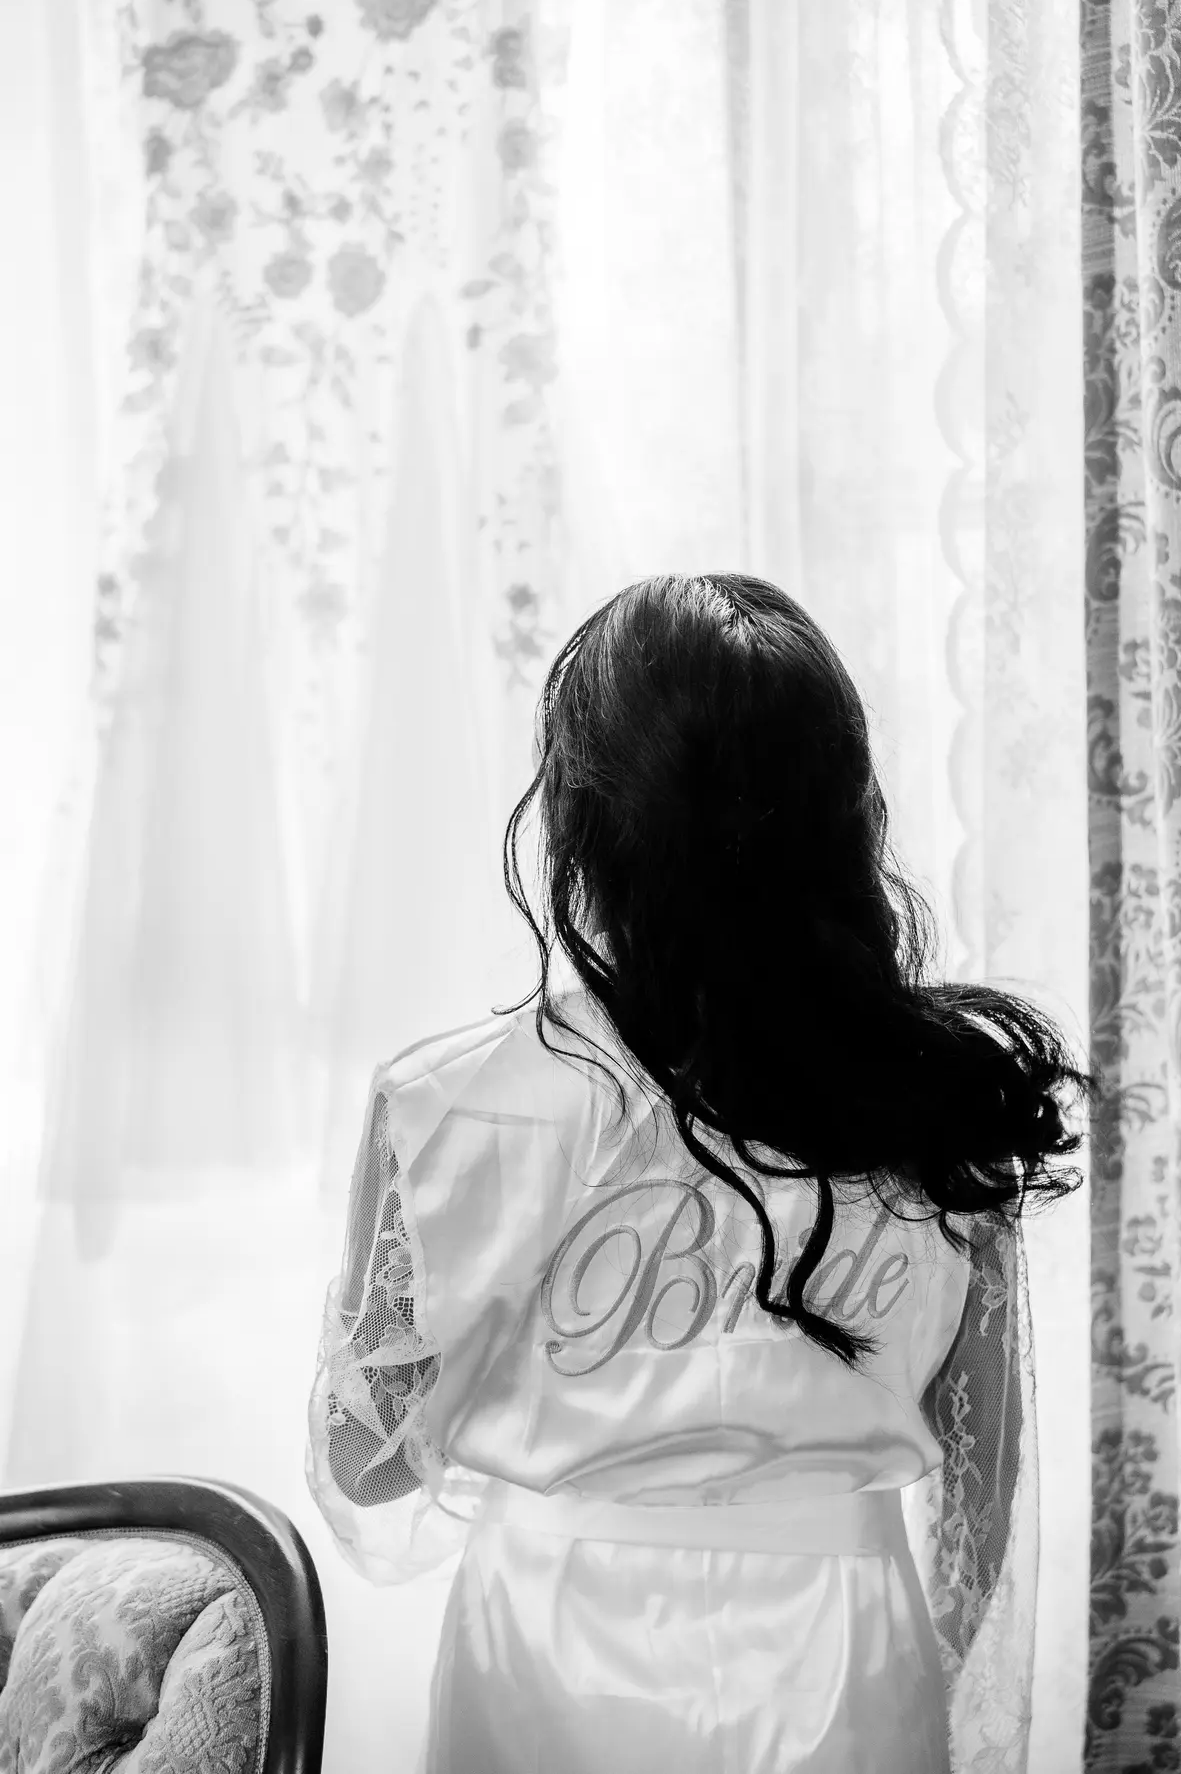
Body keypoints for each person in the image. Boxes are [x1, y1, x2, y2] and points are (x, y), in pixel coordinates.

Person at [306, 572, 1098, 1772]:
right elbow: (981, 1491)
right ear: (843, 811)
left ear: (584, 821)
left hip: (545, 1649)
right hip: (846, 1653)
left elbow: (365, 1468)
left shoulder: (448, 1107)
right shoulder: (941, 1095)